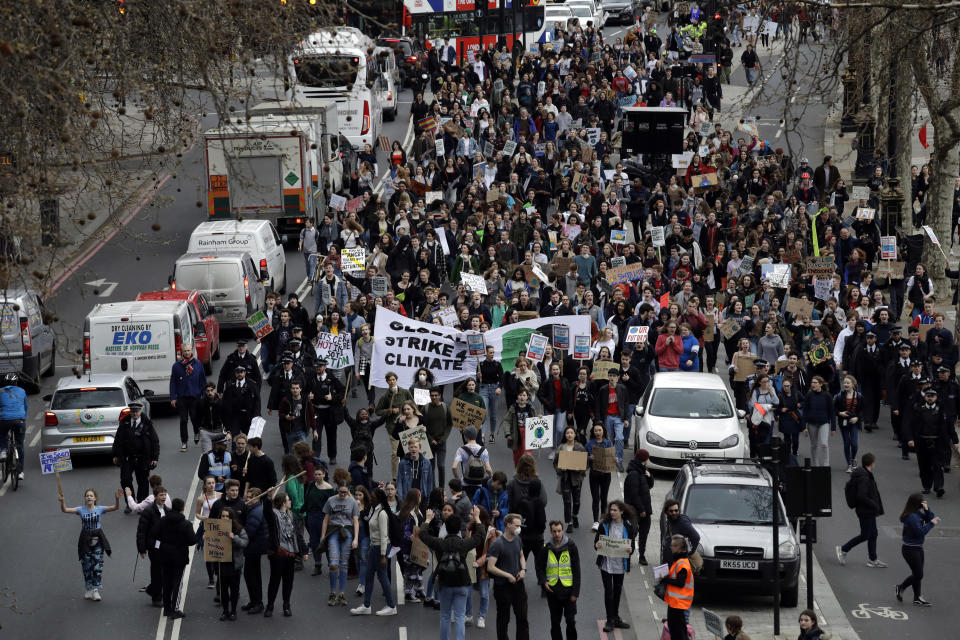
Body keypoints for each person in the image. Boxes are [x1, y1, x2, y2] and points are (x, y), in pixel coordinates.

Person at [419, 504, 486, 640]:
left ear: (446, 528)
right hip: (462, 582)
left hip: (445, 583)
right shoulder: (464, 544)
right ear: (458, 529)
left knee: (445, 616)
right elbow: (480, 535)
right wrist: (477, 518)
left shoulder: (440, 543)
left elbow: (423, 534)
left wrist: (427, 520)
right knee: (460, 616)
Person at [59, 487, 122, 601]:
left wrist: (117, 499)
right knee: (87, 565)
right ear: (85, 498)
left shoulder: (100, 509)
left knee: (97, 565)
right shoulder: (81, 510)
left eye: (91, 495)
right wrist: (62, 502)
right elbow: (65, 510)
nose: (89, 497)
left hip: (98, 539)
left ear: (95, 498)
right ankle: (89, 588)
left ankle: (96, 590)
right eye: (87, 495)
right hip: (85, 540)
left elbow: (116, 507)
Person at [350, 488, 399, 616]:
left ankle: (391, 606)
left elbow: (384, 536)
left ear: (378, 498)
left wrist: (383, 555)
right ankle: (366, 605)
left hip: (380, 548)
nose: (370, 498)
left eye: (372, 496)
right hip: (374, 547)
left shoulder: (382, 513)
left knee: (382, 576)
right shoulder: (375, 510)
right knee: (369, 576)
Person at [263, 490, 308, 617]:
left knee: (288, 581)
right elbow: (266, 512)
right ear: (283, 503)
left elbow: (298, 534)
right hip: (278, 552)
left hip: (291, 553)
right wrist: (268, 498)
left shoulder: (291, 515)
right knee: (275, 580)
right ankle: (270, 606)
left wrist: (304, 551)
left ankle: (286, 605)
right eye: (288, 500)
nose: (290, 502)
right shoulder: (274, 514)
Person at [837, 453, 886, 568]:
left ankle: (872, 559)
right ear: (872, 463)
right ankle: (843, 549)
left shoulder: (864, 474)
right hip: (865, 511)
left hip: (867, 510)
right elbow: (861, 495)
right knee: (865, 535)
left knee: (873, 534)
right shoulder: (864, 477)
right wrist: (874, 504)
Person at [486, 513, 529, 640]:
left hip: (518, 584)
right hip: (502, 587)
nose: (519, 528)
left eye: (520, 525)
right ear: (508, 525)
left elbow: (521, 555)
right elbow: (490, 567)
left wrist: (523, 570)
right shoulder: (498, 544)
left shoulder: (517, 539)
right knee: (503, 620)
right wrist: (507, 575)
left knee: (522, 618)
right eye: (517, 525)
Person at [536, 520, 581, 640]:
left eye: (559, 531)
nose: (557, 534)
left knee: (570, 621)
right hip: (553, 591)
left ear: (563, 531)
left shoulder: (571, 546)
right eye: (554, 531)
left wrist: (575, 593)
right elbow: (539, 567)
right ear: (550, 532)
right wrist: (544, 581)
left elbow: (576, 570)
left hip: (568, 591)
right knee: (555, 623)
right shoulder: (546, 548)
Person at [907, 387, 956, 497]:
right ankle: (927, 486)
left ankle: (939, 487)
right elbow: (911, 425)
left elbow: (949, 426)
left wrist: (955, 440)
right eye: (928, 396)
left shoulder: (942, 409)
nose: (930, 398)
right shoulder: (918, 408)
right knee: (924, 466)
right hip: (922, 441)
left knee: (937, 465)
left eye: (932, 396)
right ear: (925, 397)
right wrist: (910, 438)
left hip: (937, 441)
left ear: (936, 397)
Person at [594, 500, 634, 633]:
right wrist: (598, 545)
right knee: (609, 592)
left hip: (620, 564)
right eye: (611, 510)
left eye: (615, 510)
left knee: (617, 591)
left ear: (621, 512)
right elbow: (596, 543)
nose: (612, 512)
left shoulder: (628, 526)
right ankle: (609, 619)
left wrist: (629, 550)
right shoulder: (604, 524)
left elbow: (631, 547)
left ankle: (616, 617)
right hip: (606, 563)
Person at [153, 497, 195, 619]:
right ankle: (174, 609)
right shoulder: (186, 524)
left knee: (166, 582)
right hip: (179, 557)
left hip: (165, 555)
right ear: (182, 509)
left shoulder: (163, 520)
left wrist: (161, 546)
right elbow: (192, 541)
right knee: (177, 583)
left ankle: (166, 609)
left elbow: (155, 534)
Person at [321, 479, 360, 606]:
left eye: (345, 492)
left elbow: (355, 521)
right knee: (333, 564)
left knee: (344, 564)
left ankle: (341, 594)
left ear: (349, 490)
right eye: (341, 492)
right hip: (333, 531)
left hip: (347, 532)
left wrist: (356, 539)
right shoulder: (330, 500)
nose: (343, 494)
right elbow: (326, 519)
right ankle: (332, 592)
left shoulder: (353, 501)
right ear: (337, 489)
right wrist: (323, 536)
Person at [896, 492, 939, 607]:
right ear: (917, 503)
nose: (924, 503)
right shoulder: (912, 517)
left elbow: (930, 517)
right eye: (922, 502)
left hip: (918, 548)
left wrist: (927, 509)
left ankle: (917, 598)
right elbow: (920, 532)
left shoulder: (917, 513)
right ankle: (901, 587)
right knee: (919, 574)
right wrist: (931, 524)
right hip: (910, 549)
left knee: (917, 573)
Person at [112, 402, 159, 502]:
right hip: (127, 458)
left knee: (143, 482)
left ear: (140, 411)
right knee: (125, 480)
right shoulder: (124, 423)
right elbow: (118, 440)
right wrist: (115, 454)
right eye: (132, 411)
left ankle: (141, 503)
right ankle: (130, 502)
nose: (134, 414)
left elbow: (155, 441)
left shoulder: (147, 423)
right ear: (130, 411)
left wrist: (155, 458)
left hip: (143, 458)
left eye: (136, 411)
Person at [375, 371, 415, 480]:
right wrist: (389, 410)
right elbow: (377, 411)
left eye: (393, 379)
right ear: (387, 382)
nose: (392, 382)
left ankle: (409, 473)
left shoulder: (405, 392)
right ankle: (395, 477)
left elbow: (413, 406)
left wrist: (409, 413)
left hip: (407, 427)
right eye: (390, 380)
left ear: (396, 380)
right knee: (395, 453)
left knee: (409, 450)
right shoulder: (385, 396)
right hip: (392, 428)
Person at [137, 485, 169, 607]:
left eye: (165, 495)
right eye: (161, 495)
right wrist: (142, 549)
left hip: (165, 546)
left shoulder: (167, 510)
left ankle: (152, 589)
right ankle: (156, 597)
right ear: (155, 497)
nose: (164, 497)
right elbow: (141, 531)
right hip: (153, 546)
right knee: (157, 571)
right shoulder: (148, 511)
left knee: (164, 571)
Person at [169, 344, 207, 451]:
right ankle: (184, 442)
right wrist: (173, 397)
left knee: (195, 417)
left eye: (189, 350)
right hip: (182, 397)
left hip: (195, 396)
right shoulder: (176, 366)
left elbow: (202, 380)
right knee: (183, 420)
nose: (187, 353)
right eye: (185, 351)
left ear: (192, 351)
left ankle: (196, 432)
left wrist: (204, 395)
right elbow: (173, 382)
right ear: (182, 352)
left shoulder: (198, 364)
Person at [310, 358, 346, 464]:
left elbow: (342, 391)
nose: (318, 368)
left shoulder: (331, 378)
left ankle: (332, 456)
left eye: (320, 367)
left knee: (331, 435)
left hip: (329, 412)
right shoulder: (311, 378)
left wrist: (333, 397)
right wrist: (308, 396)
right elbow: (304, 389)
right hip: (316, 412)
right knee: (316, 435)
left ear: (325, 367)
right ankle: (316, 456)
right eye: (316, 367)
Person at [216, 508, 249, 621]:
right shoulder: (216, 528)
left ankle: (233, 611)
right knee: (224, 590)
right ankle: (225, 611)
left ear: (231, 518)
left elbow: (244, 543)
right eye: (223, 516)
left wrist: (234, 537)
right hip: (223, 563)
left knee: (234, 590)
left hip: (234, 564)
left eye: (227, 516)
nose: (224, 518)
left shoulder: (239, 529)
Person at [553, 426, 587, 533]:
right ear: (565, 435)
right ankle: (569, 523)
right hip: (565, 478)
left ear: (575, 435)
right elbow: (555, 462)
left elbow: (585, 463)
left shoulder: (580, 447)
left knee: (576, 501)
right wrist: (560, 469)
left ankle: (574, 515)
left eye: (571, 433)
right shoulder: (561, 447)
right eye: (567, 433)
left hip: (576, 479)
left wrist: (580, 469)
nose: (569, 435)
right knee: (567, 502)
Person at [623, 449, 654, 565]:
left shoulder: (643, 470)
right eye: (647, 458)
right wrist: (641, 509)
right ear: (644, 459)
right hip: (636, 510)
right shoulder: (634, 474)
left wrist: (649, 477)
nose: (648, 460)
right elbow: (634, 494)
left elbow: (649, 486)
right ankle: (628, 555)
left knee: (644, 534)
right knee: (632, 533)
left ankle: (642, 555)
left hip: (645, 509)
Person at [661, 534, 694, 640]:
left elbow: (680, 583)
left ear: (679, 548)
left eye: (672, 546)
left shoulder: (682, 564)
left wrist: (665, 579)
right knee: (680, 629)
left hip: (678, 603)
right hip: (676, 602)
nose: (670, 548)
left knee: (677, 632)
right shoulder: (679, 561)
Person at [585, 422, 614, 531]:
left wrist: (615, 459)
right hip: (594, 474)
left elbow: (613, 457)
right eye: (596, 430)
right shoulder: (589, 444)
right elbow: (583, 456)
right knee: (595, 498)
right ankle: (595, 521)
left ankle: (602, 519)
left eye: (599, 430)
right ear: (593, 432)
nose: (598, 432)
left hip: (606, 474)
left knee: (604, 497)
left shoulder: (608, 443)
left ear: (603, 431)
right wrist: (589, 458)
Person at [801, 376, 835, 467]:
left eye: (815, 382)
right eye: (812, 382)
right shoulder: (809, 395)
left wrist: (833, 427)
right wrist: (803, 427)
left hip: (824, 423)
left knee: (824, 443)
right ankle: (815, 464)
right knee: (814, 445)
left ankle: (826, 464)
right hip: (812, 423)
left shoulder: (827, 395)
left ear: (820, 384)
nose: (813, 384)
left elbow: (832, 411)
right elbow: (805, 411)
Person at [195, 475, 221, 589]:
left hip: (219, 527)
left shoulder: (220, 496)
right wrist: (203, 518)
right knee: (208, 554)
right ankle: (211, 579)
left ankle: (216, 570)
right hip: (206, 527)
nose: (211, 485)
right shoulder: (201, 498)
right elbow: (197, 513)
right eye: (209, 483)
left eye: (213, 483)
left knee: (218, 552)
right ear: (205, 485)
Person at [221, 365, 261, 438]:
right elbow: (225, 401)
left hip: (248, 416)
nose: (240, 374)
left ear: (245, 373)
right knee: (235, 439)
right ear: (235, 373)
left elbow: (257, 401)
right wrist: (226, 415)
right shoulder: (229, 384)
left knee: (249, 439)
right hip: (235, 416)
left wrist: (257, 414)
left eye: (241, 372)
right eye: (238, 372)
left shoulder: (252, 384)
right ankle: (234, 450)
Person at [0, 374, 27, 480]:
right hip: (19, 421)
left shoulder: (0, 391)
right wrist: (22, 418)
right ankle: (20, 472)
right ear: (16, 383)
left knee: (2, 434)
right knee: (20, 445)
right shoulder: (22, 391)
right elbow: (25, 406)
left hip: (4, 420)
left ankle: (3, 450)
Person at [453, 426, 493, 496]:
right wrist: (491, 478)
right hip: (480, 483)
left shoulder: (461, 450)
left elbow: (454, 467)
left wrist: (458, 480)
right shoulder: (484, 450)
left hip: (466, 482)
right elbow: (488, 469)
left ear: (465, 437)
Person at [834, 375, 862, 473]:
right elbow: (834, 409)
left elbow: (862, 410)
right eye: (844, 383)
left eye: (848, 383)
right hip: (844, 422)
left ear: (853, 384)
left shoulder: (859, 396)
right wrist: (840, 413)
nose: (845, 385)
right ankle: (849, 464)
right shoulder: (839, 396)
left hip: (854, 422)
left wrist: (857, 418)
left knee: (854, 444)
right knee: (847, 443)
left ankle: (853, 459)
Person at [279, 380, 315, 455]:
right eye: (293, 388)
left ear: (300, 389)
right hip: (290, 431)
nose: (295, 390)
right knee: (292, 453)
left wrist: (315, 430)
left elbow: (311, 415)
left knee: (303, 452)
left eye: (297, 388)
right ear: (290, 389)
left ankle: (303, 466)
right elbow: (280, 413)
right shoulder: (285, 400)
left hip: (302, 431)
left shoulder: (306, 400)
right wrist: (286, 416)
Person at [660, 499, 701, 565]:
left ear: (679, 510)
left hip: (678, 561)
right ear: (666, 512)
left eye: (676, 510)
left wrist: (689, 553)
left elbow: (696, 537)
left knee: (674, 574)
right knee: (662, 574)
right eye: (671, 511)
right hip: (669, 558)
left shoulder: (683, 522)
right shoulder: (670, 520)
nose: (674, 513)